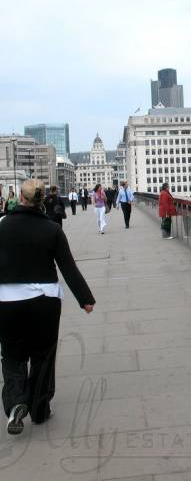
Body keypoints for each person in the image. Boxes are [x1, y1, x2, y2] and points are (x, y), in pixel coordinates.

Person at [0, 179, 95, 435]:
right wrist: (85, 298)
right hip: (46, 301)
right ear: (42, 201)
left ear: (20, 197)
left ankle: (17, 402)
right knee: (43, 355)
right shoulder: (52, 229)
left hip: (8, 301)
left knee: (12, 356)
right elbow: (67, 266)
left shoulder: (2, 227)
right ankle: (40, 410)